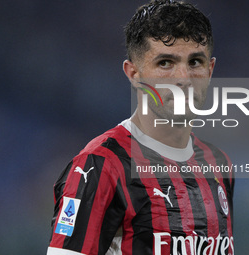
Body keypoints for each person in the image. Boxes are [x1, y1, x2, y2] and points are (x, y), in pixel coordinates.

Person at [46, 1, 234, 254]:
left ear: (210, 70)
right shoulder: (101, 165)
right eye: (165, 63)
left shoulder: (218, 163)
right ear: (134, 74)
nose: (184, 78)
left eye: (195, 62)